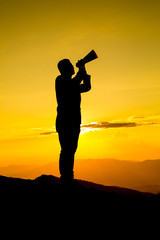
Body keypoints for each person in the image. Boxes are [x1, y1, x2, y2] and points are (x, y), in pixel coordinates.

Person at [55, 58, 91, 184]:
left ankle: (68, 177)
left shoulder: (71, 83)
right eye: (70, 65)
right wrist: (81, 69)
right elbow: (75, 83)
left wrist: (82, 69)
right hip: (65, 122)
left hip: (74, 121)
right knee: (67, 150)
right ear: (64, 69)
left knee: (71, 150)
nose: (72, 67)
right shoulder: (61, 80)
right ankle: (66, 178)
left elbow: (87, 87)